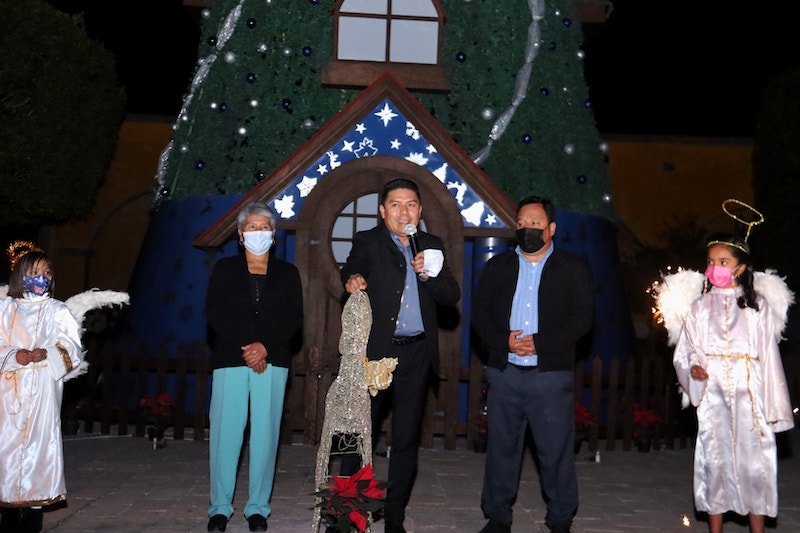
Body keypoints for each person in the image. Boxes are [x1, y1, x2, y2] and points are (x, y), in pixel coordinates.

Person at [340, 178, 460, 533]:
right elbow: (353, 265)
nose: (403, 211)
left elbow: (450, 294)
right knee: (361, 436)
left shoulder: (431, 245)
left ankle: (394, 517)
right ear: (383, 211)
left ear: (419, 212)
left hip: (417, 354)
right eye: (395, 204)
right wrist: (353, 278)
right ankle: (350, 514)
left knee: (406, 439)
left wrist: (430, 275)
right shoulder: (369, 240)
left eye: (410, 204)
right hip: (378, 353)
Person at [472, 196, 594, 533]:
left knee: (555, 453)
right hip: (505, 372)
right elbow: (479, 315)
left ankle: (559, 520)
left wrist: (539, 343)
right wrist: (503, 341)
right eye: (522, 223)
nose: (528, 229)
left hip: (549, 376)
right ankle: (497, 517)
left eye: (536, 224)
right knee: (501, 450)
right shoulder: (498, 267)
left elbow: (581, 319)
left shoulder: (573, 268)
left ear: (551, 229)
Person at [672, 233, 794, 533]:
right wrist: (694, 370)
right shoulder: (700, 307)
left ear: (740, 267)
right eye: (711, 262)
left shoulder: (758, 307)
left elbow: (769, 355)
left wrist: (775, 405)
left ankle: (758, 528)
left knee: (755, 465)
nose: (715, 268)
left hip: (750, 396)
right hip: (713, 397)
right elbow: (685, 352)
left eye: (723, 262)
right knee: (715, 461)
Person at [205, 202, 303, 533]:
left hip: (273, 360)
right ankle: (220, 507)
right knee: (225, 434)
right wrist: (248, 348)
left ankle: (258, 508)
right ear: (240, 234)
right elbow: (215, 313)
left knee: (265, 434)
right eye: (252, 227)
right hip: (232, 358)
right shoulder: (224, 269)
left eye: (264, 227)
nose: (258, 232)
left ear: (273, 236)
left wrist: (264, 347)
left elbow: (293, 318)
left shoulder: (289, 274)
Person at [0, 241, 83, 533]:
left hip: (42, 392)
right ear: (21, 275)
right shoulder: (4, 308)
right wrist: (13, 355)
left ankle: (33, 513)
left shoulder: (57, 310)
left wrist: (47, 352)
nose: (43, 278)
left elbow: (72, 347)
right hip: (8, 392)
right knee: (6, 448)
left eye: (47, 272)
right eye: (36, 272)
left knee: (38, 448)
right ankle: (7, 511)